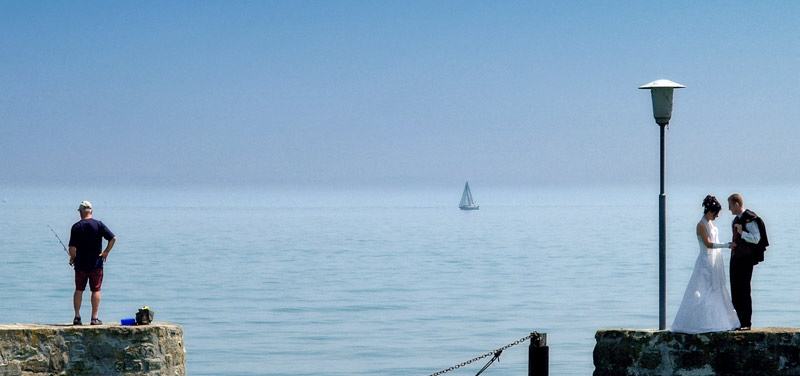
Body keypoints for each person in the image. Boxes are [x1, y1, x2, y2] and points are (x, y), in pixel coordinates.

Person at [671, 195, 740, 333]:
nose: (717, 217)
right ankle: (699, 322)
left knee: (717, 290)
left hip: (715, 260)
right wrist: (726, 245)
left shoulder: (710, 224)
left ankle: (720, 320)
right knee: (703, 290)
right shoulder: (701, 225)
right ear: (710, 211)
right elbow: (708, 244)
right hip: (705, 261)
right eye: (716, 214)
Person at [68, 201, 116, 325]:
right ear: (91, 212)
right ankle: (94, 318)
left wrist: (73, 258)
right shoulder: (98, 224)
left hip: (81, 264)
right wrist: (105, 252)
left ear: (80, 212)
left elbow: (72, 248)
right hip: (96, 264)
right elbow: (113, 238)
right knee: (96, 290)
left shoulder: (76, 226)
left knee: (79, 290)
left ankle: (77, 317)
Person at [728, 193, 768, 331]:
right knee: (735, 290)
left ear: (737, 204)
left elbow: (756, 238)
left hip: (745, 259)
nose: (729, 209)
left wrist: (742, 233)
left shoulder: (749, 219)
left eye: (730, 205)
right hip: (735, 258)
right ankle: (737, 321)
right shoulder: (736, 220)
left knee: (744, 290)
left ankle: (746, 323)